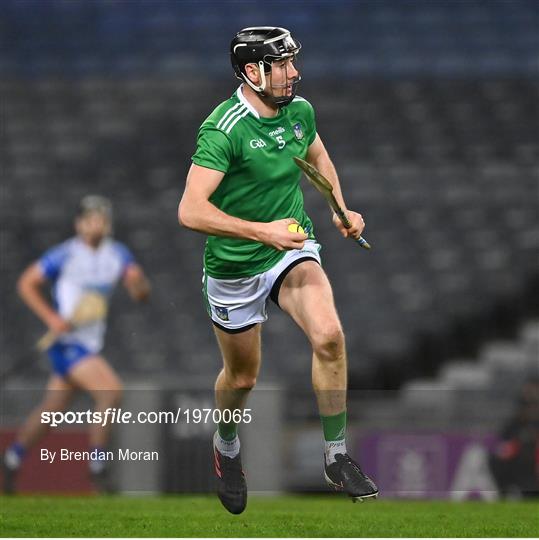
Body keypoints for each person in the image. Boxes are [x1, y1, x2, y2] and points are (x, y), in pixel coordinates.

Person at [178, 27, 378, 514]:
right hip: (233, 265)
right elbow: (190, 211)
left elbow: (317, 154)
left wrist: (338, 207)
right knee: (242, 378)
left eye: (293, 62)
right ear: (252, 71)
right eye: (282, 65)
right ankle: (226, 444)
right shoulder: (223, 129)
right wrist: (263, 231)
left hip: (291, 247)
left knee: (329, 336)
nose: (294, 73)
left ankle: (336, 456)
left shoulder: (300, 111)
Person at [2, 195, 151, 493]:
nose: (96, 223)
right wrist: (52, 318)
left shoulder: (118, 255)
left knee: (52, 411)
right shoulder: (65, 254)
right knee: (111, 392)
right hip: (67, 342)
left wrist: (137, 282)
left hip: (90, 343)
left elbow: (141, 295)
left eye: (101, 218)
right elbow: (26, 282)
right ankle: (97, 466)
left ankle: (11, 458)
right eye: (90, 218)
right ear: (79, 223)